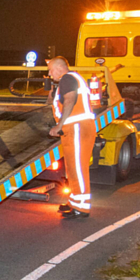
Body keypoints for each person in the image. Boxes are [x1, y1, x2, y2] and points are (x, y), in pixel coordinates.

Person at [47, 57, 96, 218]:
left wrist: (59, 125)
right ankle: (74, 201)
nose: (49, 73)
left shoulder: (68, 79)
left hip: (76, 127)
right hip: (76, 127)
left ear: (60, 69)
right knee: (73, 168)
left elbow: (70, 100)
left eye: (50, 70)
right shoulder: (71, 79)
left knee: (78, 168)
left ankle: (81, 208)